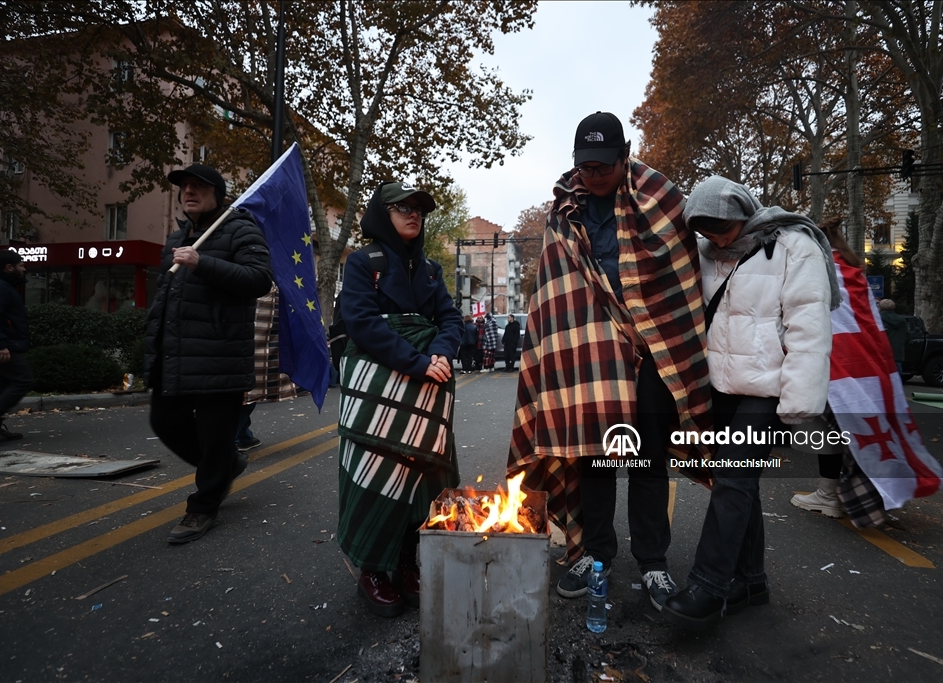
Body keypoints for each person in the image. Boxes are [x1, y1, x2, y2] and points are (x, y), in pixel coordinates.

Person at [506, 111, 712, 614]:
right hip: (591, 356)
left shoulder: (662, 200)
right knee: (592, 456)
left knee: (647, 462)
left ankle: (653, 561)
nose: (593, 176)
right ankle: (594, 554)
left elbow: (682, 274)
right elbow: (555, 298)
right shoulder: (563, 214)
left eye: (603, 166)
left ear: (625, 156)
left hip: (652, 353)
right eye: (585, 167)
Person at [662, 175, 837, 630]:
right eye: (707, 232)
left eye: (724, 228)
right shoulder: (706, 253)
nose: (718, 239)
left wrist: (799, 404)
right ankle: (750, 579)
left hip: (770, 389)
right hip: (720, 388)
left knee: (734, 479)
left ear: (744, 212)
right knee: (738, 484)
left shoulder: (793, 245)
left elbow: (809, 324)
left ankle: (709, 585)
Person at [337, 181, 463, 618]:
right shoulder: (361, 262)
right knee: (375, 473)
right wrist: (416, 361)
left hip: (427, 381)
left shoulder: (430, 269)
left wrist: (441, 353)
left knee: (424, 477)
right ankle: (373, 569)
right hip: (379, 383)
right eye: (402, 208)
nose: (414, 215)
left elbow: (450, 318)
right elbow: (361, 323)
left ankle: (409, 561)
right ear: (380, 214)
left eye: (420, 209)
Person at [144, 163, 273, 544]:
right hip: (175, 355)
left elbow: (258, 279)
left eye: (198, 186)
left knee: (215, 433)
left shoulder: (240, 229)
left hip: (220, 354)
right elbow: (168, 297)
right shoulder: (175, 238)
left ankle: (203, 506)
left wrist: (204, 263)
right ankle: (225, 466)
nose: (188, 192)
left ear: (218, 193)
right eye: (184, 186)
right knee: (165, 422)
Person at [790, 219, 943, 524]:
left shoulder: (816, 268)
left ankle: (829, 494)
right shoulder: (851, 269)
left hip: (835, 366)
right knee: (856, 433)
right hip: (869, 368)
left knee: (829, 434)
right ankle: (843, 493)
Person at [236, 285, 297, 452]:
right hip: (255, 348)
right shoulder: (270, 289)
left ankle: (242, 435)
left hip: (247, 345)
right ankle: (235, 437)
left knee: (247, 392)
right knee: (249, 393)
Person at [0, 250, 34, 444]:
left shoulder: (5, 286)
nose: (24, 268)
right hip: (5, 347)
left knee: (0, 384)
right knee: (23, 379)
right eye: (21, 265)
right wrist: (0, 344)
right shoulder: (0, 287)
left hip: (6, 344)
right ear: (9, 267)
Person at [879, 298, 908, 376]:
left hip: (882, 351)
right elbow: (907, 335)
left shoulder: (878, 319)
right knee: (897, 375)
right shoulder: (902, 320)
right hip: (898, 351)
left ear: (881, 307)